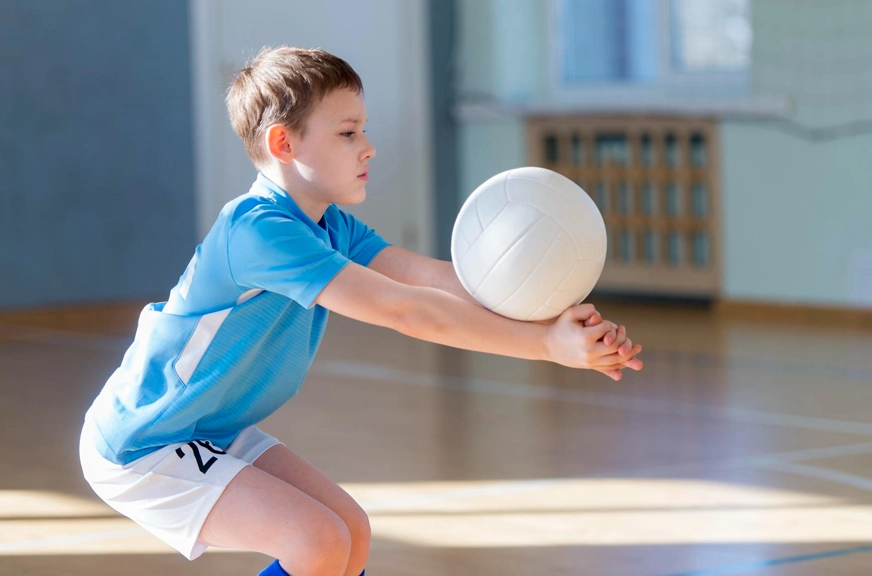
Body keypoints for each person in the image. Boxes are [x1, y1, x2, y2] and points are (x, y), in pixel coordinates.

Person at [78, 46, 643, 576]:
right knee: (314, 540)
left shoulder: (330, 226)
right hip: (144, 440)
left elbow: (441, 280)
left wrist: (559, 323)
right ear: (284, 144)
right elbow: (410, 310)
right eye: (348, 133)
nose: (368, 146)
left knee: (349, 530)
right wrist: (546, 347)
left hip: (210, 427)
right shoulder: (259, 231)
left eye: (363, 129)